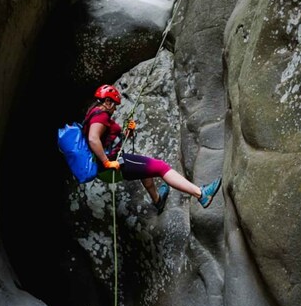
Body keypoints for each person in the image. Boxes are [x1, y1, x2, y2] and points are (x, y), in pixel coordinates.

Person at [85, 84, 222, 212]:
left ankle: (158, 201)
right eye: (114, 105)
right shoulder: (101, 116)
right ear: (108, 101)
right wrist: (106, 162)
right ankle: (201, 194)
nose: (115, 109)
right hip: (113, 165)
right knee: (161, 167)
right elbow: (93, 138)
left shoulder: (93, 113)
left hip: (107, 166)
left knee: (146, 169)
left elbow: (106, 138)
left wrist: (127, 132)